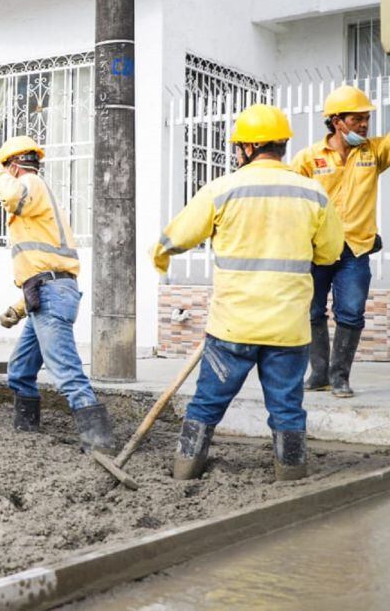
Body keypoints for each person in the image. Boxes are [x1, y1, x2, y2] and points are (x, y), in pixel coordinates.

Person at [153, 104, 343, 482]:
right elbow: (330, 252)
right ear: (282, 145)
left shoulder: (222, 190)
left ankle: (184, 471)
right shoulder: (312, 193)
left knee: (207, 403)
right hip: (288, 330)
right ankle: (292, 475)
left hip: (232, 329)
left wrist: (160, 258)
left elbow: (176, 239)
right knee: (288, 408)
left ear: (247, 148)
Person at [0, 136, 115, 453]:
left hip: (51, 295)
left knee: (66, 373)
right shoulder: (37, 197)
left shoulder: (30, 184)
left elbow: (12, 199)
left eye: (4, 168)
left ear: (12, 166)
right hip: (44, 294)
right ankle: (27, 433)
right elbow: (43, 269)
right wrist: (18, 308)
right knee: (21, 370)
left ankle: (100, 442)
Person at [291, 85, 385, 398]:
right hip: (318, 250)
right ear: (336, 121)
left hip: (356, 250)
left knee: (351, 313)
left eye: (365, 119)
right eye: (356, 118)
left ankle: (340, 376)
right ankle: (319, 374)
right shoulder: (308, 158)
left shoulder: (373, 152)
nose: (363, 124)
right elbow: (290, 196)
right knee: (314, 312)